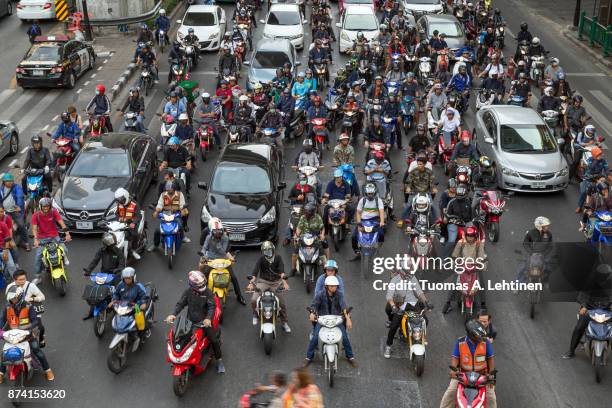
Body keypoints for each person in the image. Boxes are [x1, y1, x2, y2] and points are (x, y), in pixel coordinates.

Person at [0, 286, 54, 383]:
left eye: (14, 298)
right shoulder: (8, 307)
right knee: (4, 354)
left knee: (37, 350)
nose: (13, 301)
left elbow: (35, 321)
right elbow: (2, 320)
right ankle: (1, 373)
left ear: (20, 297)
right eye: (11, 299)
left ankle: (48, 370)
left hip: (27, 336)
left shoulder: (29, 307)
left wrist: (29, 330)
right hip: (12, 336)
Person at [439, 320, 497, 408]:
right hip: (463, 375)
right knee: (450, 393)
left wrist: (491, 375)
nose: (481, 338)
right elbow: (455, 358)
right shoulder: (460, 342)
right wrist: (453, 371)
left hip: (481, 376)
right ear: (471, 335)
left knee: (491, 398)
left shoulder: (485, 342)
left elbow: (490, 359)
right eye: (478, 336)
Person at [561, 264, 611, 359]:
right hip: (590, 308)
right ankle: (571, 350)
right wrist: (584, 306)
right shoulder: (591, 281)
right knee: (579, 327)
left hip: (606, 309)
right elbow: (584, 294)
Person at [304, 275, 356, 367]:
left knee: (344, 337)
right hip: (323, 319)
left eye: (335, 286)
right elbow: (314, 305)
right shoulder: (320, 294)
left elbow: (343, 306)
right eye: (332, 286)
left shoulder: (339, 294)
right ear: (327, 286)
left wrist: (348, 319)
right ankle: (308, 357)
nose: (334, 288)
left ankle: (350, 356)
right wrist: (312, 313)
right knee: (315, 338)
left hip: (336, 319)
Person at [384, 268, 432, 358]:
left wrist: (426, 302)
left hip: (413, 304)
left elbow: (419, 292)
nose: (409, 273)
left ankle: (421, 336)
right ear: (401, 271)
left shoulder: (412, 278)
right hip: (401, 306)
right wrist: (393, 306)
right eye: (407, 271)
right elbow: (389, 295)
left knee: (425, 320)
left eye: (410, 270)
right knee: (394, 326)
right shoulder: (395, 280)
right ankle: (388, 346)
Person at [200, 219, 246, 305]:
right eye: (216, 231)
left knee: (234, 278)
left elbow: (223, 251)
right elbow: (204, 248)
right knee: (204, 277)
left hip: (223, 260)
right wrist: (203, 254)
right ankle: (203, 295)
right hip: (211, 260)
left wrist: (217, 243)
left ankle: (239, 296)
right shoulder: (208, 237)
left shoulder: (225, 238)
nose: (218, 233)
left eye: (219, 231)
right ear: (211, 231)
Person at [247, 241, 290, 331]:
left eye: (269, 250)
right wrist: (251, 282)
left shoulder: (278, 257)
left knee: (281, 303)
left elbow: (282, 271)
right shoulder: (261, 259)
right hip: (263, 281)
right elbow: (255, 272)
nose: (268, 253)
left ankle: (284, 322)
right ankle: (255, 314)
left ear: (273, 249)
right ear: (263, 252)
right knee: (254, 299)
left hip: (276, 282)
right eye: (266, 251)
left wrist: (284, 282)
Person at [31, 198, 70, 284]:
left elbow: (61, 223)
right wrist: (36, 240)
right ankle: (38, 277)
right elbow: (34, 229)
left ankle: (62, 264)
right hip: (42, 238)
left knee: (64, 250)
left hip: (54, 237)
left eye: (48, 206)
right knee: (38, 257)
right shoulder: (36, 215)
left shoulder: (54, 212)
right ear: (40, 206)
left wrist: (67, 234)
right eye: (44, 207)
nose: (46, 208)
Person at [5, 269, 46, 344]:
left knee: (40, 327)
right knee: (12, 330)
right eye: (20, 280)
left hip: (30, 309)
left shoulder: (31, 286)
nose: (23, 281)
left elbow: (43, 297)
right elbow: (9, 300)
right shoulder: (10, 287)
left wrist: (31, 299)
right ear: (15, 280)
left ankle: (41, 338)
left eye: (24, 279)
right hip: (16, 310)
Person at [148, 180, 190, 252]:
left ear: (173, 188)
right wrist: (156, 211)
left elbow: (182, 205)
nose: (168, 190)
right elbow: (160, 205)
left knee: (179, 226)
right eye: (167, 189)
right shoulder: (163, 195)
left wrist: (183, 210)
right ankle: (155, 244)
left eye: (169, 189)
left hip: (176, 214)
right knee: (157, 230)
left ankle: (182, 237)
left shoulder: (180, 194)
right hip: (165, 215)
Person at [292, 203, 330, 274]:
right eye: (306, 212)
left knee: (322, 253)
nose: (307, 214)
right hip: (304, 238)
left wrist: (322, 235)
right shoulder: (303, 217)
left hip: (315, 238)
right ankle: (293, 269)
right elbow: (299, 228)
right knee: (295, 254)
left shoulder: (317, 217)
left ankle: (327, 269)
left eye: (308, 213)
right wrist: (296, 235)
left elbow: (322, 227)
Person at [351, 183, 385, 259]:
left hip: (375, 220)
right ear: (365, 193)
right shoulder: (361, 201)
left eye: (372, 193)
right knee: (354, 237)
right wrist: (359, 223)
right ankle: (357, 251)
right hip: (363, 221)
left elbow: (381, 211)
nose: (370, 195)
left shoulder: (378, 200)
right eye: (369, 193)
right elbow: (358, 213)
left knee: (381, 234)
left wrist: (382, 221)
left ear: (375, 193)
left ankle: (377, 247)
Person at [517, 216, 553, 283]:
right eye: (546, 226)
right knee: (521, 269)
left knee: (549, 268)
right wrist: (531, 253)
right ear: (540, 226)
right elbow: (525, 244)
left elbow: (550, 246)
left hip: (543, 255)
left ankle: (546, 282)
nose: (548, 227)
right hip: (531, 255)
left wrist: (545, 253)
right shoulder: (530, 233)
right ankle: (517, 285)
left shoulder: (548, 234)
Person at [1, 173, 29, 252]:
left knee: (21, 225)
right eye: (8, 181)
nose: (10, 182)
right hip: (5, 211)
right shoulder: (1, 189)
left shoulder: (16, 187)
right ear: (4, 182)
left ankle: (26, 242)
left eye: (11, 181)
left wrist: (18, 206)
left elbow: (19, 196)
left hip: (15, 211)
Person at [112, 188, 142, 260]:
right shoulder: (120, 205)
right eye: (118, 200)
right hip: (121, 224)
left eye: (121, 200)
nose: (120, 202)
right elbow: (117, 214)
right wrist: (118, 219)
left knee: (134, 234)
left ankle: (134, 250)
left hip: (131, 224)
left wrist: (134, 223)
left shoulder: (134, 204)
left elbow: (138, 216)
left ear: (126, 196)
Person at [577, 146, 609, 211]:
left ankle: (606, 205)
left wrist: (605, 176)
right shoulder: (590, 160)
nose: (600, 155)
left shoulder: (603, 161)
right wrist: (596, 160)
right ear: (594, 155)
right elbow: (591, 168)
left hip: (599, 178)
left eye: (600, 154)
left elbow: (606, 169)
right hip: (588, 178)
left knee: (606, 189)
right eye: (598, 154)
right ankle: (579, 206)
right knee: (584, 192)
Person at [444, 184, 473, 251]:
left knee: (473, 236)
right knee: (451, 241)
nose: (460, 192)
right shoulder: (451, 202)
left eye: (461, 191)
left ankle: (479, 254)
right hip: (453, 223)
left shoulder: (469, 202)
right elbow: (447, 216)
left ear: (466, 192)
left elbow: (471, 216)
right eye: (459, 190)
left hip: (465, 222)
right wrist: (448, 218)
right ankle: (444, 258)